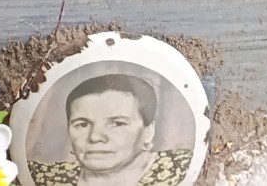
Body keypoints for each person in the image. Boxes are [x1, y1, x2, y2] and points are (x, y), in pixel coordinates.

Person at [28, 74, 194, 186]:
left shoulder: (182, 167)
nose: (95, 137)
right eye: (83, 124)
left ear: (148, 131)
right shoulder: (44, 177)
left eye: (117, 123)